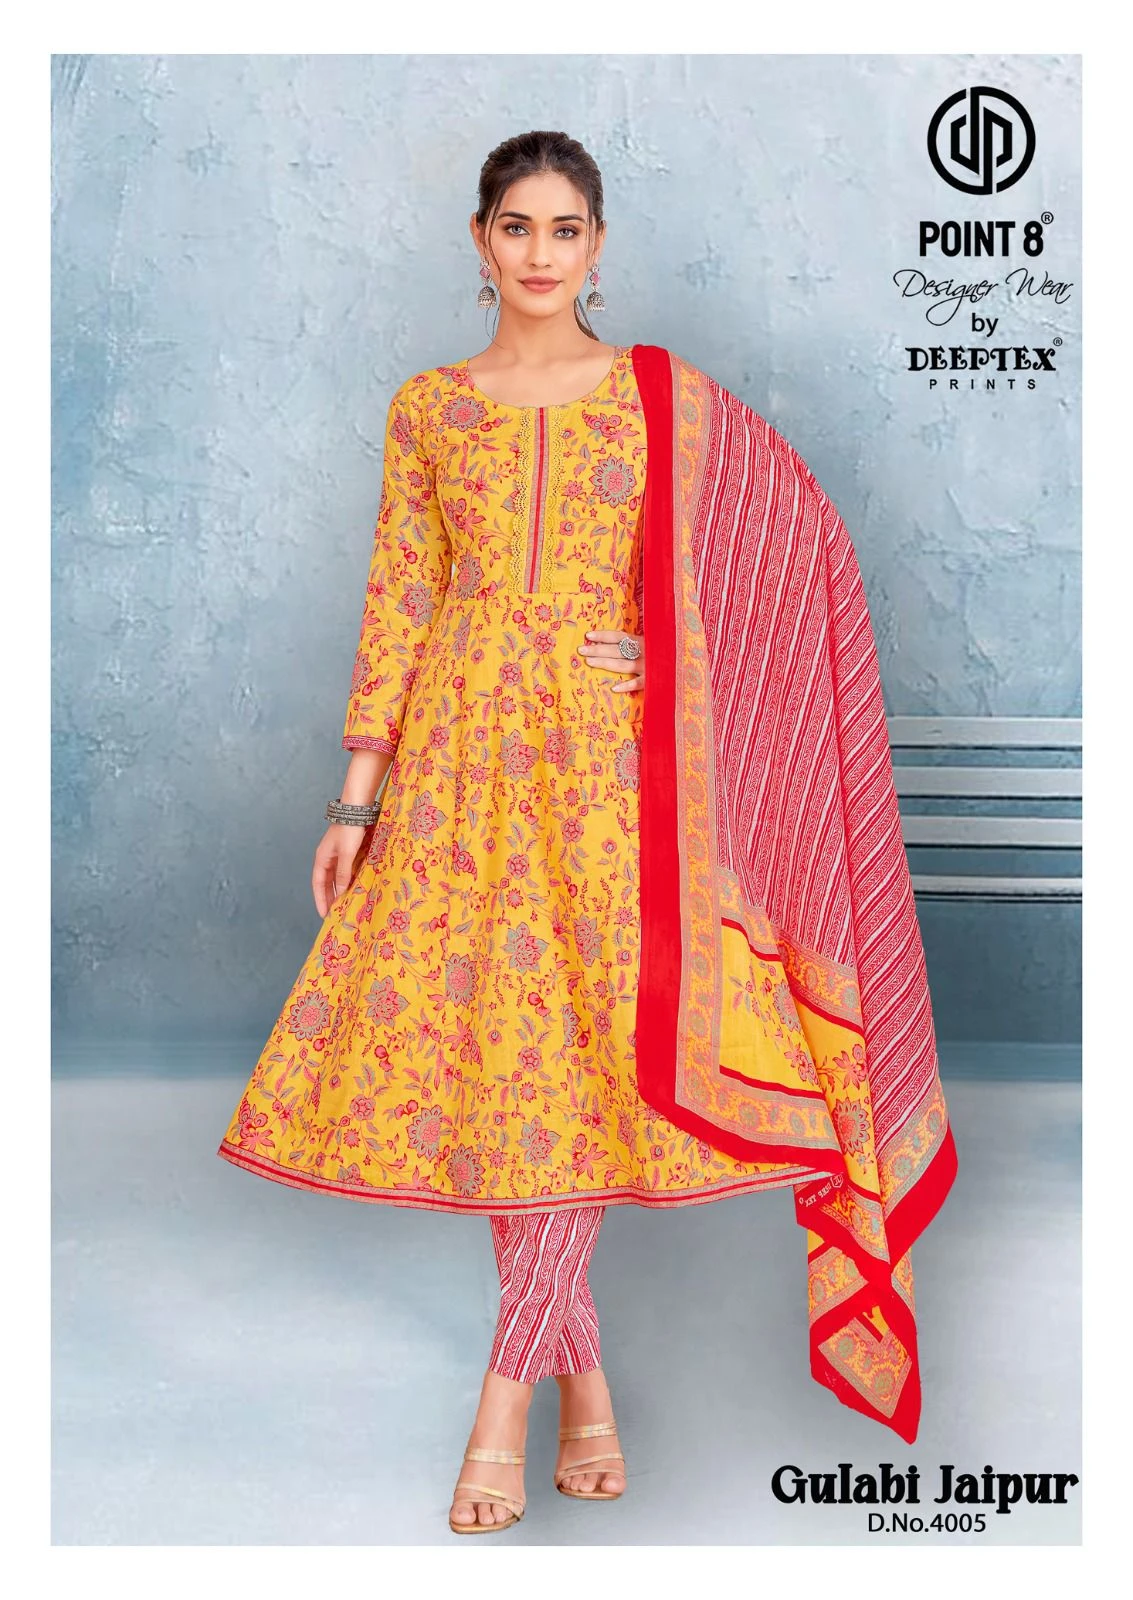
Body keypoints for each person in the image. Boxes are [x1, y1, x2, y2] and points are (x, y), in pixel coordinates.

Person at [217, 129, 957, 1536]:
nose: (542, 252)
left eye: (567, 228)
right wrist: (356, 796)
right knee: (518, 1055)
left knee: (581, 1048)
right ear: (480, 239)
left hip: (616, 776)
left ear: (599, 246)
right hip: (459, 768)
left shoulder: (657, 401)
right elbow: (400, 600)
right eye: (518, 225)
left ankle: (506, 1397)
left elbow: (792, 554)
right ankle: (585, 1383)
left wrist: (671, 653)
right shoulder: (430, 408)